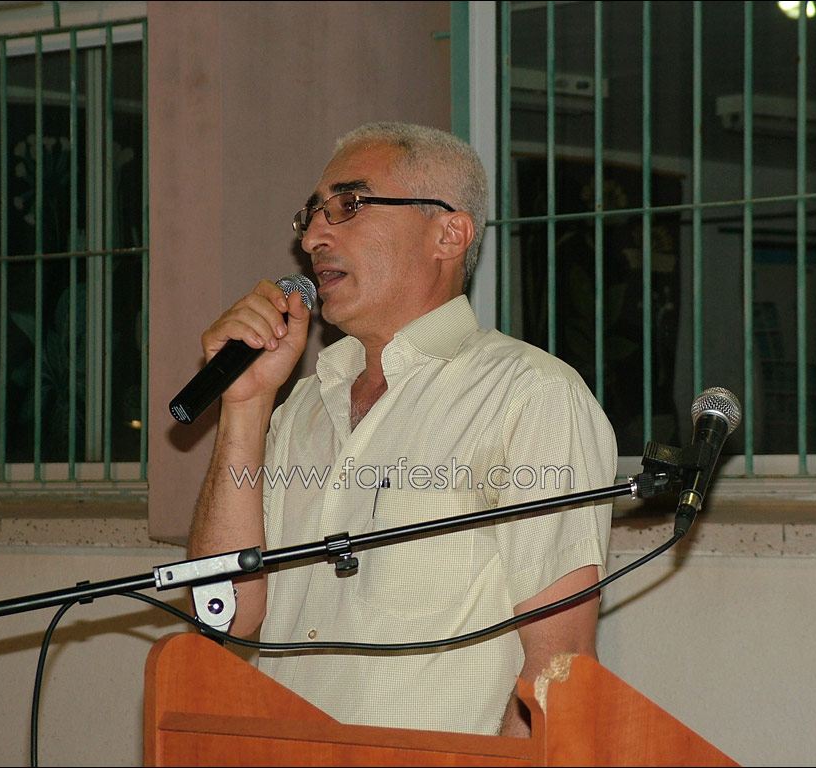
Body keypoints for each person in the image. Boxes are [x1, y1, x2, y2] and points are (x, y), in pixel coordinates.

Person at [186, 122, 617, 738]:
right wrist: (246, 405)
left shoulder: (528, 395)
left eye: (349, 205)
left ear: (448, 234)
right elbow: (225, 614)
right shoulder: (302, 406)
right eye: (311, 215)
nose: (312, 237)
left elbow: (558, 669)